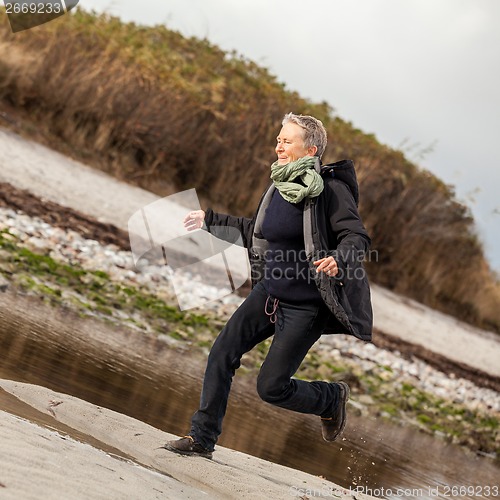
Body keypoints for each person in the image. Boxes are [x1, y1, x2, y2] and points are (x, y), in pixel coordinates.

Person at [164, 112, 372, 459]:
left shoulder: (331, 191)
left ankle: (331, 398)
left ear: (311, 150)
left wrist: (339, 257)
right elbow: (258, 233)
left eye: (286, 140)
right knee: (222, 353)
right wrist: (210, 220)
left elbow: (357, 237)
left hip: (306, 306)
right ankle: (202, 439)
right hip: (269, 293)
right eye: (278, 139)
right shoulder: (278, 185)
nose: (278, 145)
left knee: (271, 387)